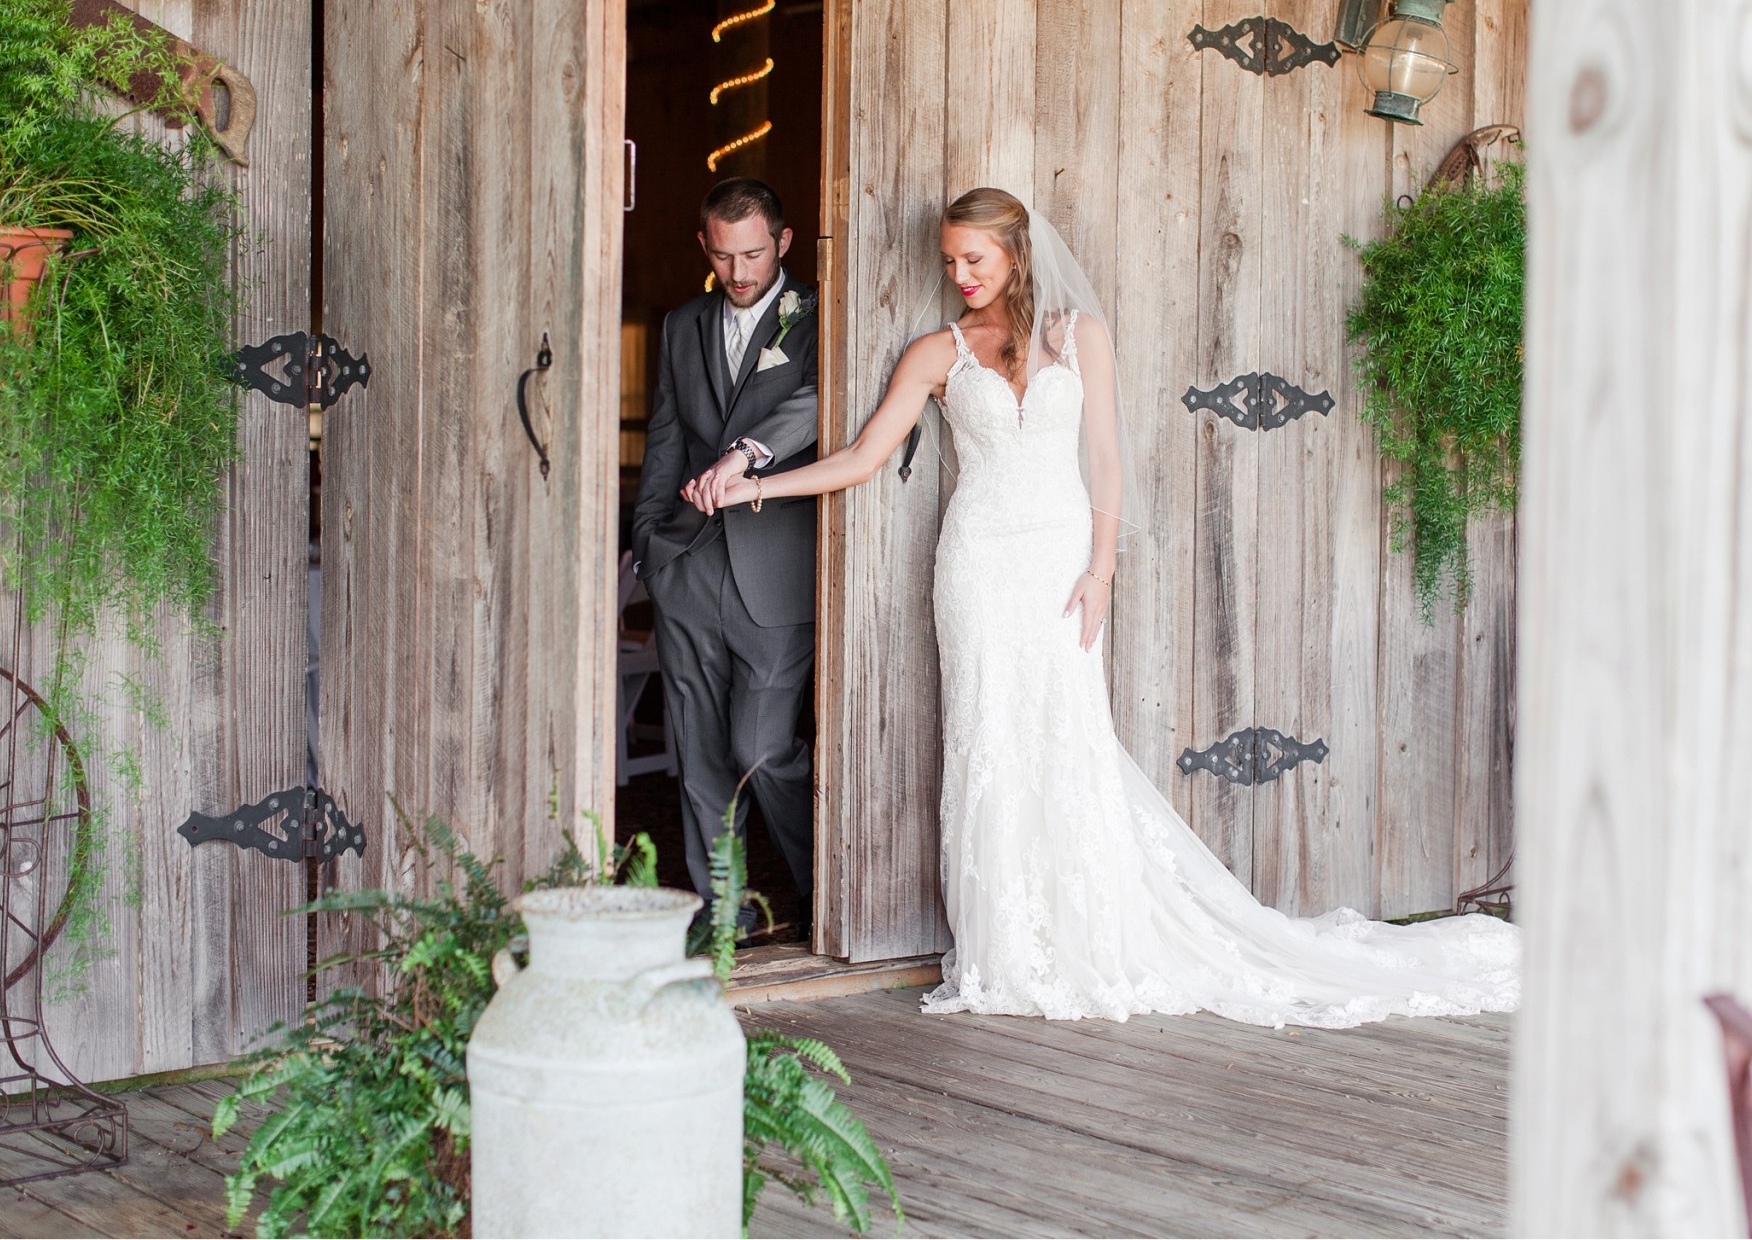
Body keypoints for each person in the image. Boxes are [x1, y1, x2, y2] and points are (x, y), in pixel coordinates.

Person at [702, 186, 1519, 1026]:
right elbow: (863, 456)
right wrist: (750, 487)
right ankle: (1009, 947)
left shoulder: (1079, 334)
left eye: (975, 260)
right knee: (989, 736)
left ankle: (1088, 929)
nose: (961, 276)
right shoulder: (937, 352)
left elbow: (1106, 459)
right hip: (977, 564)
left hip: (1060, 561)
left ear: (1016, 253)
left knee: (1068, 734)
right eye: (950, 261)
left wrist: (1102, 572)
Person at [633, 178, 818, 943]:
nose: (739, 271)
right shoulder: (682, 323)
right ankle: (725, 909)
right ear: (703, 247)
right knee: (701, 753)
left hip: (775, 568)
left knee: (762, 748)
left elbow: (815, 400)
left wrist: (749, 454)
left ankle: (826, 888)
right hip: (687, 564)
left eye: (752, 252)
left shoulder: (818, 317)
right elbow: (667, 436)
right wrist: (650, 539)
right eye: (722, 253)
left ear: (782, 242)